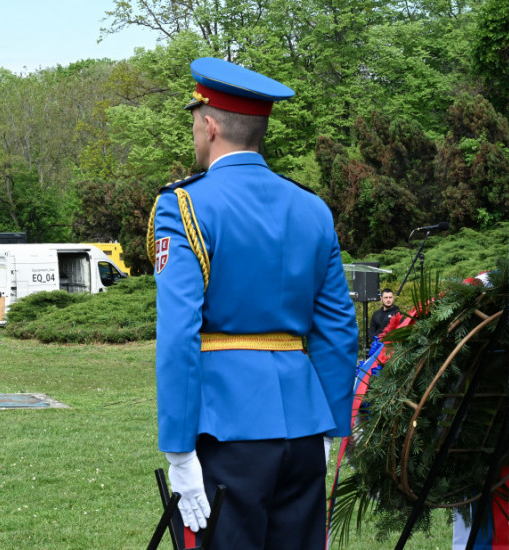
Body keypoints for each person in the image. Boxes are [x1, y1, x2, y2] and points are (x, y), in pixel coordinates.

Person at [149, 57, 358, 549]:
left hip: (226, 428)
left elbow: (179, 333)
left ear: (211, 124)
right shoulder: (311, 208)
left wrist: (179, 451)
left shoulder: (183, 205)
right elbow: (338, 329)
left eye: (195, 122)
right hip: (305, 427)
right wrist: (328, 427)